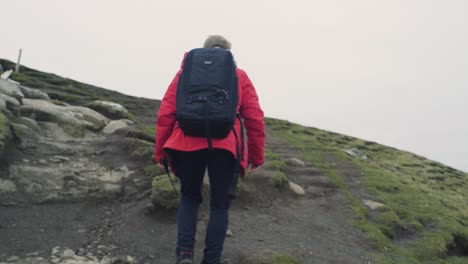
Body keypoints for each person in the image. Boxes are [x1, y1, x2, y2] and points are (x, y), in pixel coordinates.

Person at [155, 35, 265, 264]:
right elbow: (254, 118)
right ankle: (212, 259)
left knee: (189, 198)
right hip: (225, 146)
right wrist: (256, 155)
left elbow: (166, 112)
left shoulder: (185, 73)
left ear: (205, 51)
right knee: (219, 205)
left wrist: (160, 151)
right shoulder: (239, 76)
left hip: (186, 142)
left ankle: (184, 255)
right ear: (228, 54)